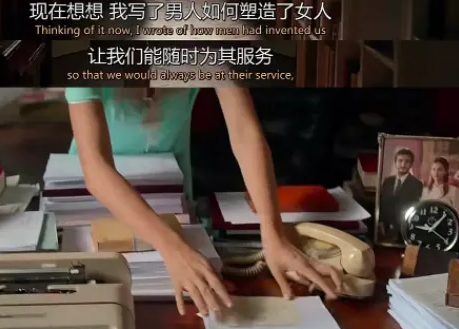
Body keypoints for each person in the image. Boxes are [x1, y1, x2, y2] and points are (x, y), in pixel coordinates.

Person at [65, 87, 341, 315]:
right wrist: (174, 249)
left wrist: (274, 235)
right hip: (90, 204)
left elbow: (245, 133)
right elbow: (97, 170)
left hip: (174, 199)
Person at [379, 148, 423, 242]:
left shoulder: (416, 184)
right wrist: (381, 221)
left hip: (403, 229)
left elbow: (413, 207)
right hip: (385, 227)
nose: (403, 164)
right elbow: (383, 203)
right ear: (395, 162)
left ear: (411, 164)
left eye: (407, 161)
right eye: (400, 161)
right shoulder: (388, 181)